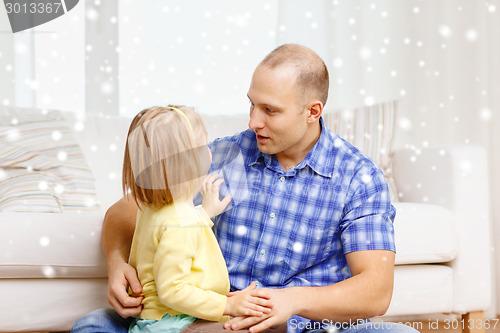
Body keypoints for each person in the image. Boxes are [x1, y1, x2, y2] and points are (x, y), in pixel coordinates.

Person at [73, 44, 418, 333]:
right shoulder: (223, 154)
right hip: (207, 322)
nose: (253, 120)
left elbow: (375, 290)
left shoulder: (358, 177)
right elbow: (125, 211)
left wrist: (292, 300)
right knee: (94, 325)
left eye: (270, 110)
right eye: (252, 103)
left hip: (298, 326)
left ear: (312, 111)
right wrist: (118, 264)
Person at [118, 105, 273, 333]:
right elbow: (172, 290)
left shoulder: (151, 209)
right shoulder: (182, 222)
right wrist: (227, 304)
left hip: (154, 320)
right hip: (176, 323)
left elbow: (168, 235)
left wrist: (205, 213)